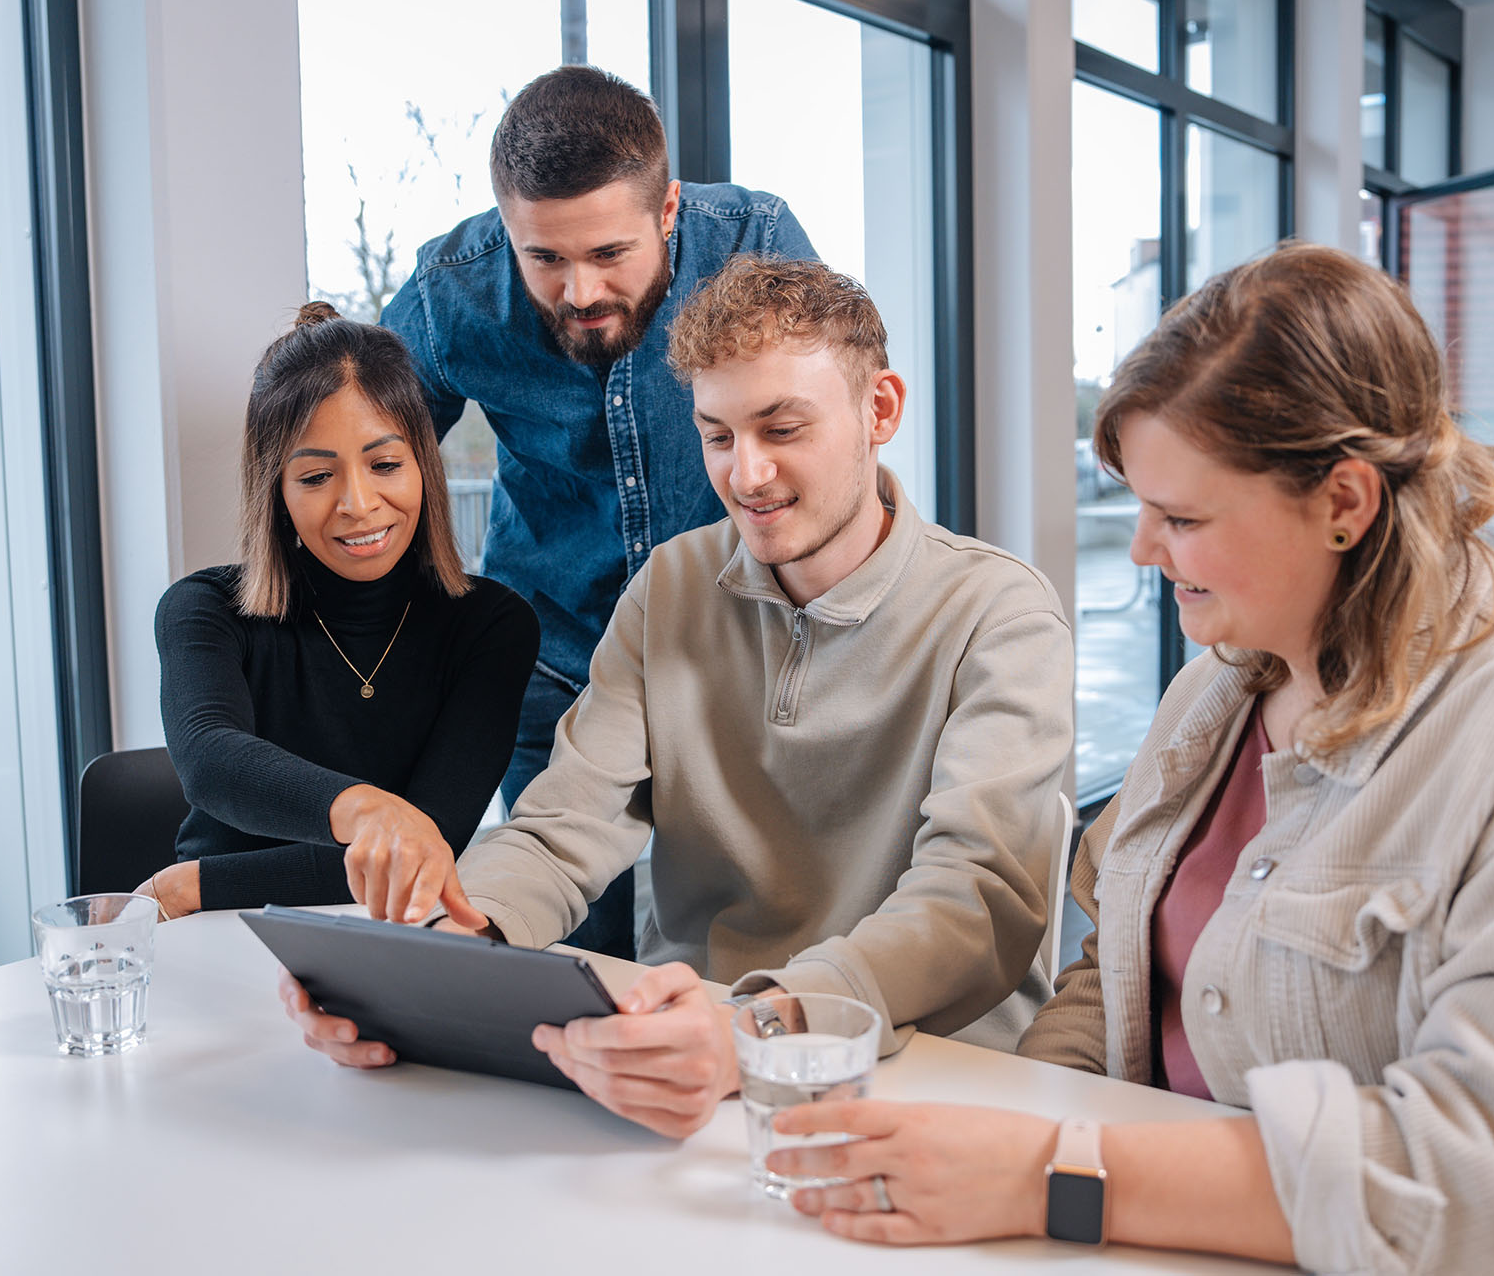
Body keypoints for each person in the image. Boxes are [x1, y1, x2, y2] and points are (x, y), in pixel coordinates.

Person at [763, 242, 1494, 1275]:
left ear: (1344, 502)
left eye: (1183, 517)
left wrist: (1050, 1172)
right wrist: (1014, 1159)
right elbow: (1110, 973)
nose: (1144, 549)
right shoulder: (1213, 692)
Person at [283, 256, 1074, 1138]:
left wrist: (762, 1024)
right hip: (692, 1072)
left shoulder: (999, 612)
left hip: (932, 1085)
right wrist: (437, 953)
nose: (747, 474)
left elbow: (976, 900)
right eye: (718, 434)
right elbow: (562, 829)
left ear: (878, 409)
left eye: (782, 428)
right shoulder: (672, 588)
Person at [381, 64, 817, 958]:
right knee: (577, 950)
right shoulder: (450, 292)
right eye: (544, 257)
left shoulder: (755, 241)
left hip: (736, 655)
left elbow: (824, 434)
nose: (578, 291)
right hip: (553, 663)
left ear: (666, 212)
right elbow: (372, 461)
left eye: (608, 254)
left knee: (748, 950)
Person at [138, 303, 539, 920]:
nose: (357, 503)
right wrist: (370, 810)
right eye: (317, 476)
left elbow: (421, 855)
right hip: (216, 937)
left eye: (384, 465)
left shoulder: (492, 626)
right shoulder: (204, 609)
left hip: (370, 937)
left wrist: (197, 885)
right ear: (276, 488)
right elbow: (210, 759)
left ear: (423, 467)